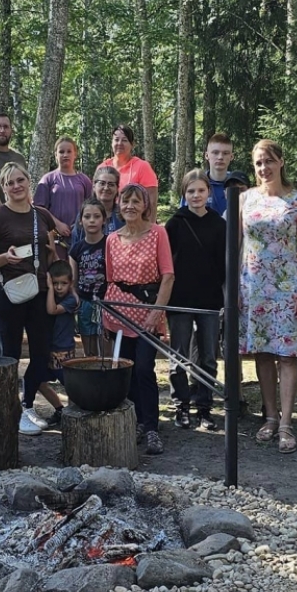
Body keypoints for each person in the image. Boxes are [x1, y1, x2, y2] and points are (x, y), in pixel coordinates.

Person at [240, 139, 297, 454]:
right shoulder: (245, 199)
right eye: (258, 162)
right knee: (262, 354)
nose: (263, 168)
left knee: (287, 356)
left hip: (287, 287)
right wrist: (234, 289)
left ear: (281, 162)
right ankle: (269, 417)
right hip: (254, 287)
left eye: (269, 161)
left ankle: (286, 422)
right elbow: (238, 246)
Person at [0, 162, 62, 436]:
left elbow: (51, 254)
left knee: (40, 354)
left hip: (39, 292)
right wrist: (5, 257)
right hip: (8, 294)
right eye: (9, 182)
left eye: (20, 180)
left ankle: (26, 405)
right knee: (10, 354)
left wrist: (53, 257)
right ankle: (9, 409)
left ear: (29, 182)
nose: (16, 186)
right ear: (3, 188)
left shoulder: (42, 215)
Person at [105, 184, 176, 455]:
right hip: (119, 315)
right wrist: (108, 315)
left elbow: (167, 275)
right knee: (127, 370)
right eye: (125, 201)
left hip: (148, 312)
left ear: (145, 205)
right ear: (119, 205)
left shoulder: (158, 233)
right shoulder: (112, 239)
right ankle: (133, 421)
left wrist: (157, 312)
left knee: (145, 368)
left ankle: (152, 428)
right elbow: (111, 279)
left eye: (136, 201)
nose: (130, 206)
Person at [164, 170, 226, 431]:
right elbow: (166, 262)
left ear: (208, 192)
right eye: (191, 191)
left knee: (209, 356)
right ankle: (181, 406)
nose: (196, 195)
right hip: (180, 300)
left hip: (210, 299)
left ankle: (204, 407)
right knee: (178, 355)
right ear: (184, 194)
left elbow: (224, 262)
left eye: (201, 190)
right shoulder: (175, 223)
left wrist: (224, 295)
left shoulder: (219, 224)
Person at [36, 260, 80, 415]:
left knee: (71, 386)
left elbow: (52, 310)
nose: (59, 287)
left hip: (64, 350)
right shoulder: (52, 295)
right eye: (55, 283)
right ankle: (60, 410)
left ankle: (74, 413)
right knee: (39, 382)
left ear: (70, 283)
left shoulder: (71, 300)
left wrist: (49, 288)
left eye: (63, 283)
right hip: (48, 348)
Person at [35, 137, 93, 247]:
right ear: (56, 155)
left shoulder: (84, 180)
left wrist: (80, 224)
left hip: (80, 237)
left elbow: (92, 206)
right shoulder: (48, 179)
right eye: (61, 152)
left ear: (75, 154)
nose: (65, 155)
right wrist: (57, 224)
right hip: (55, 238)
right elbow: (38, 208)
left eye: (69, 151)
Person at [70, 198, 110, 356]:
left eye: (96, 216)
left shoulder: (110, 244)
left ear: (104, 219)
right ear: (81, 221)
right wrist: (75, 297)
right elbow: (73, 280)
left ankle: (107, 376)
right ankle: (91, 377)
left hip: (106, 301)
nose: (92, 220)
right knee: (89, 348)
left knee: (106, 344)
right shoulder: (76, 249)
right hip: (85, 302)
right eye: (87, 217)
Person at [100, 125, 158, 217]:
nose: (120, 143)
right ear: (111, 143)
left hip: (136, 223)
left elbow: (152, 202)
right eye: (116, 139)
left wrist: (148, 229)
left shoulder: (142, 167)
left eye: (124, 140)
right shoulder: (103, 167)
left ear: (132, 144)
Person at [80, 166, 126, 235]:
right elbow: (76, 243)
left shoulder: (123, 215)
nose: (106, 188)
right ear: (94, 186)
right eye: (102, 183)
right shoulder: (85, 213)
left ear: (117, 189)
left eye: (111, 184)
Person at [201, 133, 235, 216]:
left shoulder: (238, 184)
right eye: (215, 152)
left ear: (231, 157)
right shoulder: (196, 184)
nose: (220, 157)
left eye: (225, 153)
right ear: (206, 155)